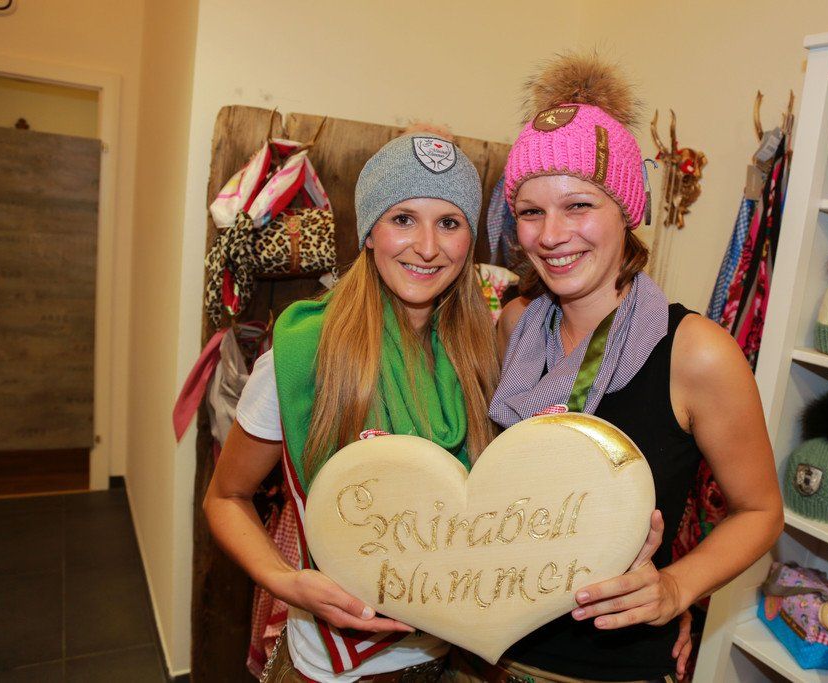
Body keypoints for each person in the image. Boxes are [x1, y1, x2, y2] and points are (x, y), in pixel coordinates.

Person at [455, 53, 784, 683]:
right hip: (486, 647)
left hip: (607, 667)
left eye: (578, 205)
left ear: (626, 211)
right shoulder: (516, 324)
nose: (552, 235)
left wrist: (677, 588)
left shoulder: (695, 352)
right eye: (531, 211)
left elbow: (760, 511)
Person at [204, 129, 499, 683]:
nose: (428, 246)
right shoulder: (304, 353)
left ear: (470, 240)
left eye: (449, 222)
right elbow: (226, 496)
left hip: (449, 653)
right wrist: (285, 581)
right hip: (333, 668)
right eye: (403, 218)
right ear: (368, 231)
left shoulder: (480, 355)